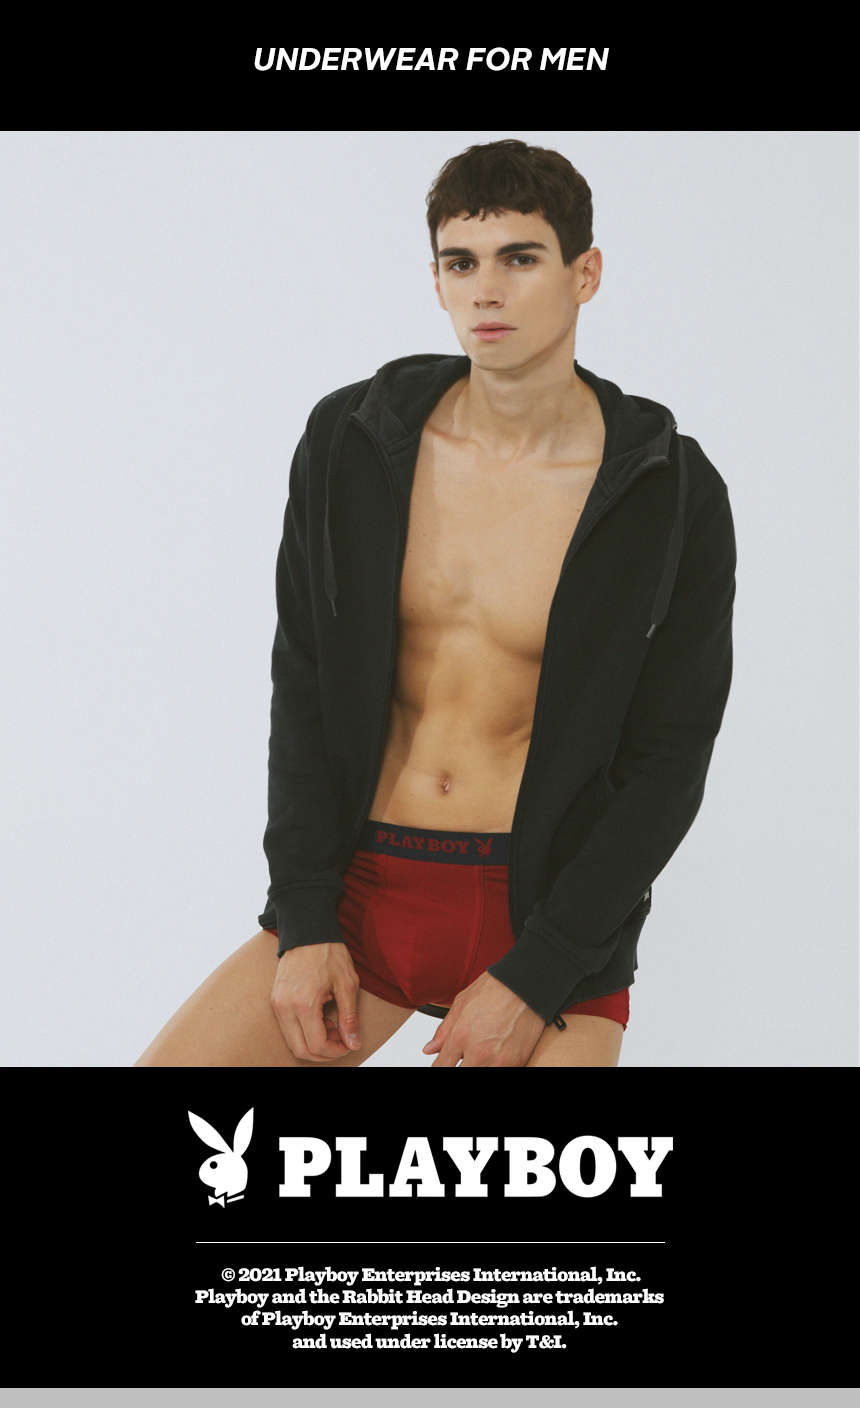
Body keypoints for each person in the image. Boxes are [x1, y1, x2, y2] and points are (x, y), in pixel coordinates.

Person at [135, 139, 735, 1069]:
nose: (486, 291)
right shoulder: (353, 441)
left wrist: (541, 969)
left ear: (585, 274)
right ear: (437, 280)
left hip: (546, 921)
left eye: (519, 258)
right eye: (461, 262)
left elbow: (671, 760)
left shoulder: (670, 489)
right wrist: (304, 916)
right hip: (362, 894)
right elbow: (304, 682)